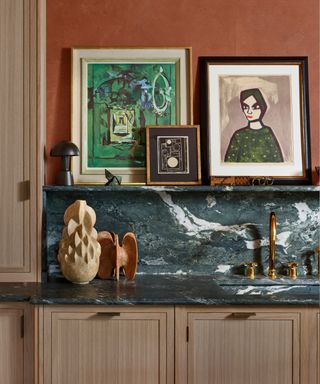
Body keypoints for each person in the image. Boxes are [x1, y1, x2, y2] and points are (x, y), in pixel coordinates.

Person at [224, 88, 284, 163]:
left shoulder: (267, 133)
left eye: (255, 107)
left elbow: (278, 161)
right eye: (246, 107)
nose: (249, 111)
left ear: (262, 107)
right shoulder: (239, 135)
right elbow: (229, 163)